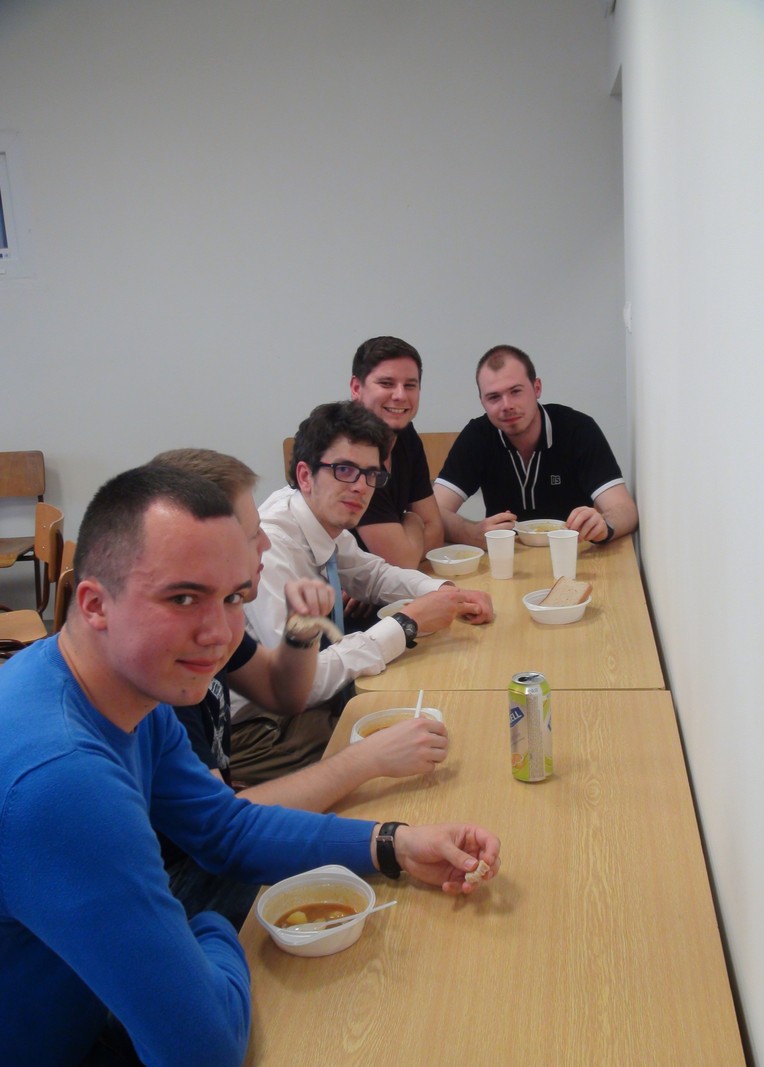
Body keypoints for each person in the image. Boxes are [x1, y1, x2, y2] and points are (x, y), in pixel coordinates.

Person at [0, 464, 500, 1067]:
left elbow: (224, 827)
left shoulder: (126, 690)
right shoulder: (62, 780)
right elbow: (202, 1050)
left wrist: (394, 842)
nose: (218, 633)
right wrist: (207, 928)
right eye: (182, 598)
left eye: (235, 597)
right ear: (94, 603)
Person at [150, 448, 450, 929]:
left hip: (209, 833)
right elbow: (226, 833)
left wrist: (300, 633)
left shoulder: (209, 621)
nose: (266, 543)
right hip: (179, 883)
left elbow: (283, 693)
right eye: (252, 534)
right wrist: (368, 762)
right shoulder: (160, 670)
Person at [233, 401, 493, 784]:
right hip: (260, 730)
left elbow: (373, 575)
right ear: (305, 475)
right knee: (436, 744)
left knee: (438, 722)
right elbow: (301, 685)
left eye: (371, 474)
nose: (360, 486)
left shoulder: (318, 520)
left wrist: (445, 591)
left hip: (306, 707)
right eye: (344, 470)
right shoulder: (272, 547)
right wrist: (405, 625)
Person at [433, 344, 639, 548]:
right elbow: (434, 512)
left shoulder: (578, 429)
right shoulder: (477, 436)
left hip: (574, 553)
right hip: (507, 558)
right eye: (494, 397)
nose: (507, 405)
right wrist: (470, 533)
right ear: (482, 402)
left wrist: (604, 525)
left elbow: (626, 510)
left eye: (516, 391)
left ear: (537, 388)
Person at [349, 335, 444, 568]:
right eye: (386, 383)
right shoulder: (350, 451)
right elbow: (402, 562)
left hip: (380, 582)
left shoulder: (406, 435)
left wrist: (405, 547)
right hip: (328, 587)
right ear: (356, 388)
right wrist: (412, 519)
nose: (400, 395)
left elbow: (436, 531)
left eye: (410, 385)